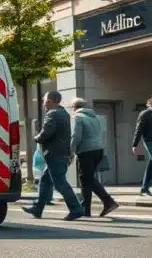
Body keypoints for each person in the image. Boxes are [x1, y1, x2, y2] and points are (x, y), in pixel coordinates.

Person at [23, 91, 85, 221]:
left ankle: (76, 208)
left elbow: (46, 133)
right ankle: (38, 208)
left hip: (54, 154)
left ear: (50, 101)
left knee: (60, 183)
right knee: (45, 181)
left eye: (44, 101)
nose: (43, 103)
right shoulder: (63, 113)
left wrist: (36, 138)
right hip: (61, 153)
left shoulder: (52, 114)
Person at [70, 98, 118, 217]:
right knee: (88, 179)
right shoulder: (94, 117)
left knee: (86, 179)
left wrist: (71, 152)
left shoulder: (77, 117)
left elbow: (76, 136)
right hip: (98, 149)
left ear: (74, 107)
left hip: (86, 150)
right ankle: (87, 209)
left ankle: (107, 201)